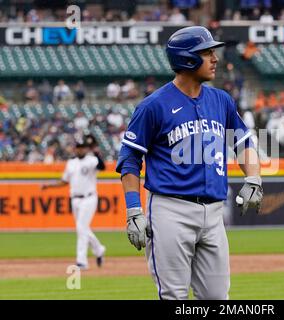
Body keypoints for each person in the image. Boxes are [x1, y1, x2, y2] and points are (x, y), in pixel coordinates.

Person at [115, 26, 263, 300]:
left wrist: (253, 178)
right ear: (186, 59)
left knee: (217, 297)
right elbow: (130, 159)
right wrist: (134, 210)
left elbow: (243, 142)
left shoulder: (221, 100)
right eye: (207, 52)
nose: (215, 58)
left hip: (214, 211)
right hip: (171, 210)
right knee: (174, 296)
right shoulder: (153, 105)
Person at [41, 136, 106, 269]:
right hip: (75, 199)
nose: (80, 150)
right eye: (78, 147)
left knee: (81, 228)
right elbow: (64, 181)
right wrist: (49, 186)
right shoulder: (71, 163)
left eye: (83, 147)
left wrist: (96, 152)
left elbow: (102, 167)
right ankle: (98, 249)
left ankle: (82, 261)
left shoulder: (92, 160)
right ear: (75, 149)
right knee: (83, 228)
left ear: (86, 149)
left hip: (88, 198)